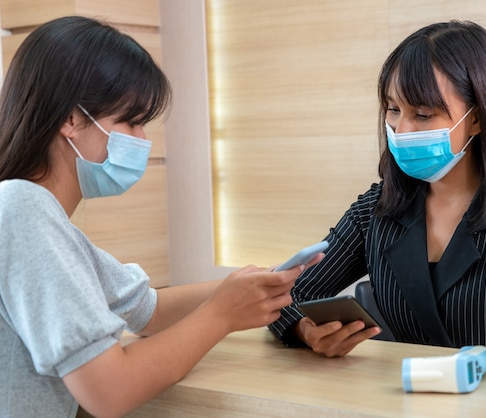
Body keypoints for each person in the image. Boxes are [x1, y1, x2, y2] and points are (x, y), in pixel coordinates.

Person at [0, 16, 321, 418]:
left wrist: (244, 284)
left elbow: (147, 311)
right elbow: (109, 392)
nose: (143, 141)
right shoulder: (22, 209)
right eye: (131, 122)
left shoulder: (44, 220)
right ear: (71, 119)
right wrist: (221, 315)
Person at [269, 20, 486, 366]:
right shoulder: (375, 210)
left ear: (477, 117)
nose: (402, 130)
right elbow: (285, 297)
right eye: (394, 109)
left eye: (423, 114)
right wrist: (306, 330)